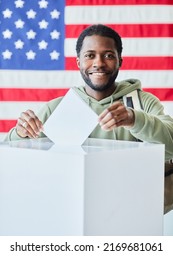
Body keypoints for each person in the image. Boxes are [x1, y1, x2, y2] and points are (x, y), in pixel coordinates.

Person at [5, 24, 173, 161]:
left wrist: (135, 119)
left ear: (119, 61)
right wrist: (20, 133)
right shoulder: (57, 108)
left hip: (132, 199)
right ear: (78, 62)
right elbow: (10, 156)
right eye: (90, 55)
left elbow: (171, 148)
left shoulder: (142, 103)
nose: (98, 63)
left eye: (108, 56)